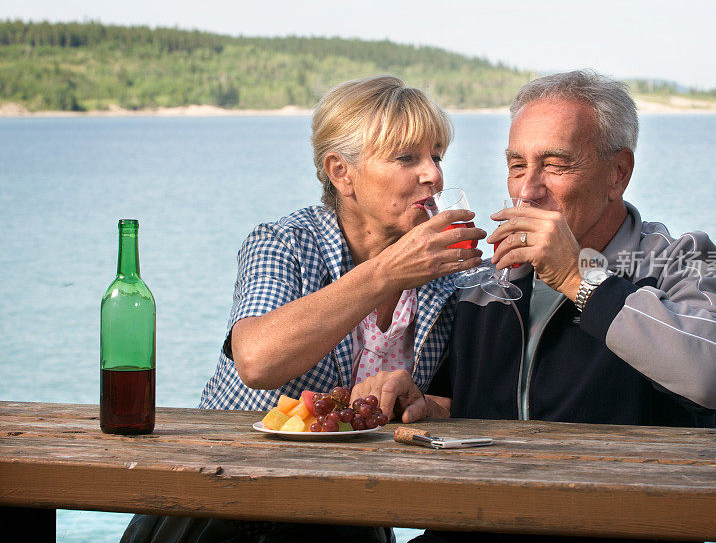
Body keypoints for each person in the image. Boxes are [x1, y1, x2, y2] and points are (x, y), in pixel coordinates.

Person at [360, 70, 716, 542]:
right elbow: (476, 409)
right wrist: (426, 404)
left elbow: (713, 375)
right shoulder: (488, 280)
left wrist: (577, 278)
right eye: (517, 165)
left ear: (618, 173)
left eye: (556, 165)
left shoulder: (680, 258)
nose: (527, 191)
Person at [120, 75, 485, 543]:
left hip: (349, 518)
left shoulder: (448, 271)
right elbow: (256, 360)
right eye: (406, 158)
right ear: (341, 172)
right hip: (222, 505)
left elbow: (470, 400)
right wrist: (386, 272)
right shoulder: (284, 243)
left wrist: (425, 403)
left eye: (436, 155)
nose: (433, 174)